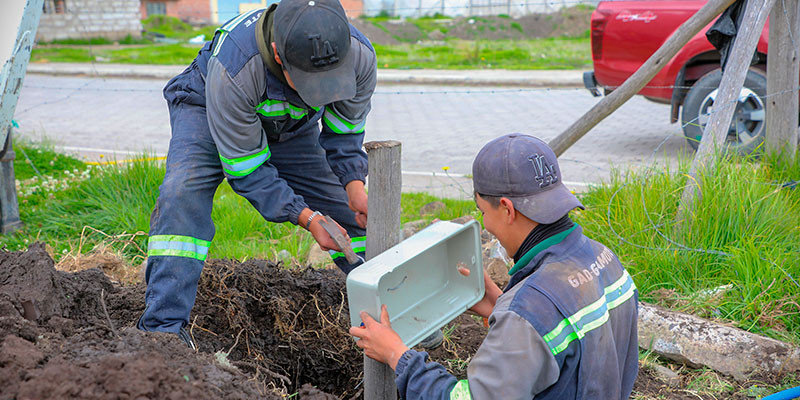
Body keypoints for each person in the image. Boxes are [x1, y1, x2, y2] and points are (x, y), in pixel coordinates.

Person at [137, 0, 377, 348]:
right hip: (208, 108)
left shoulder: (358, 57)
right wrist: (308, 218)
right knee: (181, 195)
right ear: (279, 55)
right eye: (313, 83)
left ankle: (394, 311)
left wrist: (354, 187)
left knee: (354, 215)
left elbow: (345, 132)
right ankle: (164, 333)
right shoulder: (236, 68)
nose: (321, 92)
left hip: (289, 126)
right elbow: (247, 169)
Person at [350, 134, 639, 399]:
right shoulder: (605, 260)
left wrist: (398, 356)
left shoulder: (528, 311)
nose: (485, 223)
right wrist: (502, 305)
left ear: (507, 209)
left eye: (483, 212)